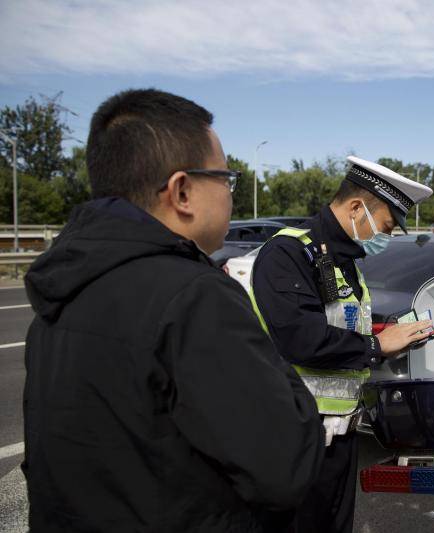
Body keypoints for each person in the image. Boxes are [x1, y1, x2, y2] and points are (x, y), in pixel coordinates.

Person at [22, 89, 324, 532]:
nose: (230, 194)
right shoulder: (195, 296)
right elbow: (286, 468)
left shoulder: (62, 285)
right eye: (225, 178)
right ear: (182, 190)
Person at [250, 156, 434, 533]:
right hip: (295, 437)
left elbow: (349, 328)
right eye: (385, 225)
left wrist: (397, 336)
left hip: (340, 436)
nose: (386, 235)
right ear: (356, 208)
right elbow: (301, 338)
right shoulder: (288, 253)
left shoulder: (344, 260)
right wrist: (377, 346)